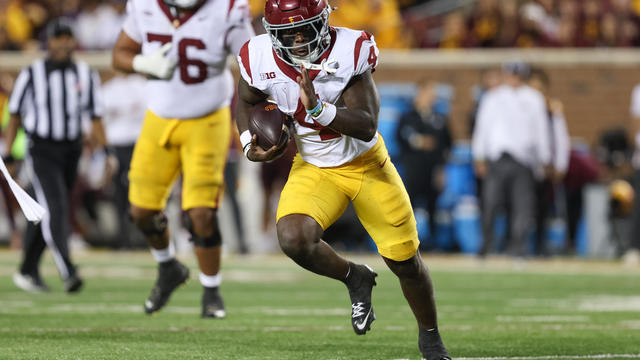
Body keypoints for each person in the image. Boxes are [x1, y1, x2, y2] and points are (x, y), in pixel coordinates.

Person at [235, 1, 450, 359]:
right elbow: (245, 100)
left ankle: (430, 338)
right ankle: (355, 277)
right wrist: (248, 143)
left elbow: (367, 123)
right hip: (314, 166)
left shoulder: (350, 48)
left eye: (306, 27)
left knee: (404, 261)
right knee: (293, 237)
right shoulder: (256, 56)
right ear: (272, 34)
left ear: (324, 20)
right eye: (289, 32)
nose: (299, 38)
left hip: (366, 164)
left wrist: (318, 109)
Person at [111, 0, 254, 318]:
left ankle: (212, 290)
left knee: (200, 212)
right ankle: (168, 267)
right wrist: (142, 64)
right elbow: (119, 54)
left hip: (208, 117)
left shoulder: (228, 9)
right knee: (141, 210)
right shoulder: (144, 5)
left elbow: (253, 62)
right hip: (159, 117)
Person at [3, 19, 107, 293]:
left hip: (71, 150)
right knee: (56, 208)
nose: (63, 43)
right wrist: (8, 154)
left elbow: (95, 117)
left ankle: (27, 270)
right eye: (57, 37)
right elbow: (14, 115)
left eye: (67, 37)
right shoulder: (32, 73)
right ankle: (67, 270)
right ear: (48, 42)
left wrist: (104, 152)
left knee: (45, 210)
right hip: (42, 150)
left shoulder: (85, 73)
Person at [472, 62, 551, 258]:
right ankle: (487, 245)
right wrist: (479, 156)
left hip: (523, 159)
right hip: (497, 157)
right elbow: (483, 127)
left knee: (522, 206)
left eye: (517, 74)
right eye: (511, 73)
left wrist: (544, 157)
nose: (514, 77)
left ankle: (518, 247)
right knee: (490, 203)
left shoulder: (533, 98)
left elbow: (541, 130)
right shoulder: (493, 97)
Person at [395, 80, 452, 241]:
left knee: (433, 206)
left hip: (433, 169)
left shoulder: (440, 119)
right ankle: (407, 241)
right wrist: (420, 141)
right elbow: (401, 137)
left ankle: (433, 241)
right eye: (428, 93)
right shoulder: (408, 117)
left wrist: (442, 169)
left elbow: (447, 144)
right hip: (414, 169)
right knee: (409, 205)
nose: (432, 97)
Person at [101, 71, 146, 249]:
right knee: (119, 194)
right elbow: (99, 121)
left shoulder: (142, 86)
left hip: (139, 145)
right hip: (116, 147)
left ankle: (144, 237)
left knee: (141, 194)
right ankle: (124, 238)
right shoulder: (108, 89)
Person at [528, 68, 570, 256]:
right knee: (524, 207)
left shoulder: (552, 110)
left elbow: (560, 138)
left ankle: (540, 244)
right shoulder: (523, 109)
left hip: (546, 167)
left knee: (544, 208)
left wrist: (560, 164)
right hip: (526, 166)